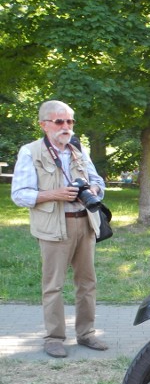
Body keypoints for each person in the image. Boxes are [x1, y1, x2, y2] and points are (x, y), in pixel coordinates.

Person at [11, 100, 108, 358]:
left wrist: (94, 190)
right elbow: (19, 195)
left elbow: (98, 180)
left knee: (87, 283)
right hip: (54, 226)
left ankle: (86, 334)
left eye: (70, 122)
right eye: (59, 121)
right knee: (53, 285)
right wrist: (55, 194)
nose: (66, 127)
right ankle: (54, 338)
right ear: (44, 125)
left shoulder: (79, 149)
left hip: (85, 223)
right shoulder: (30, 152)